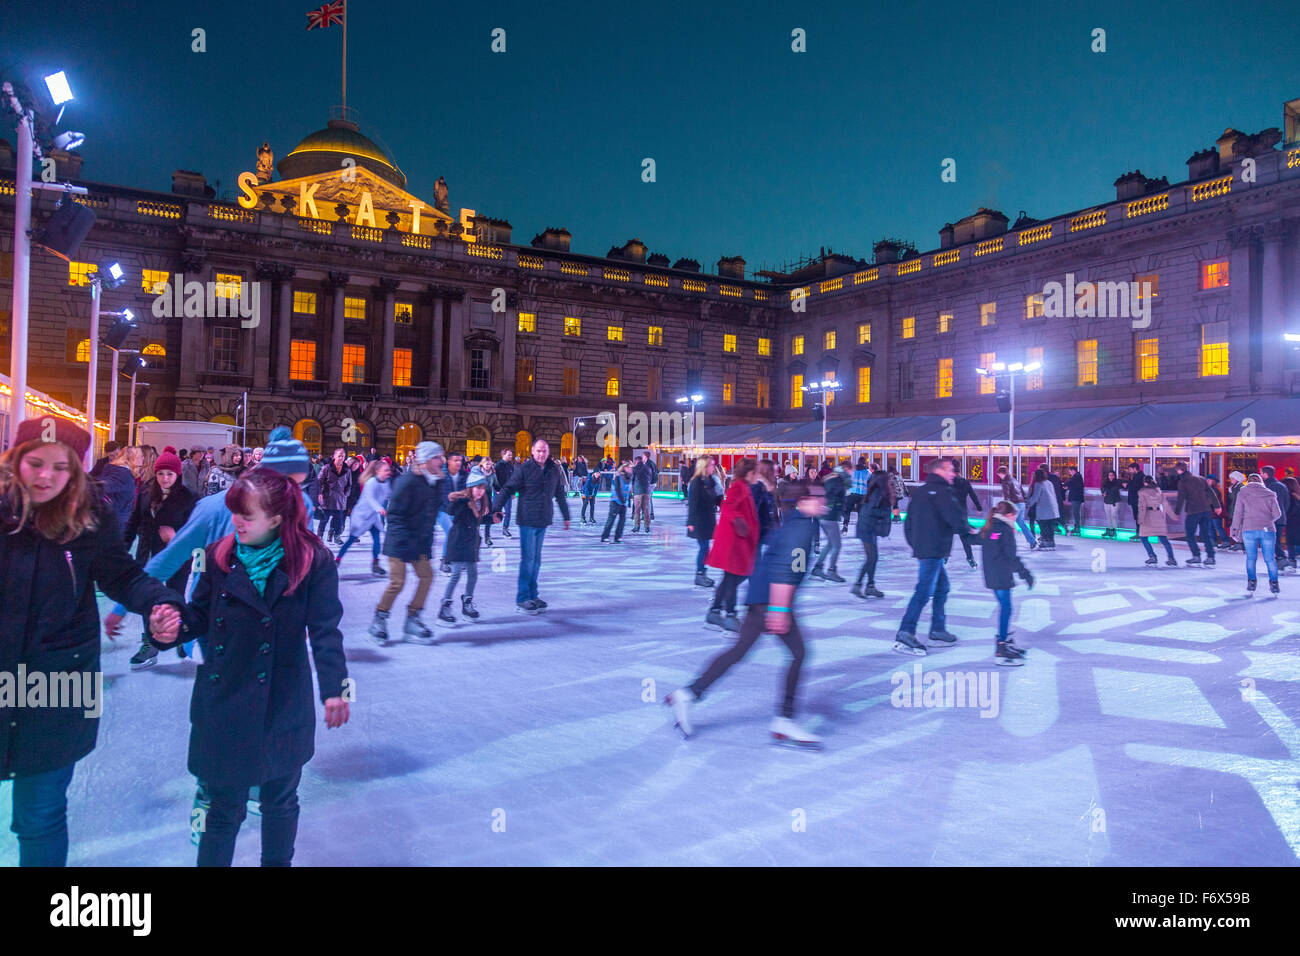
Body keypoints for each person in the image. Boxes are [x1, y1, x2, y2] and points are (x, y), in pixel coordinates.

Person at [0, 417, 183, 866]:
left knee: (40, 814)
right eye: (34, 463)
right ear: (15, 461)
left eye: (59, 467)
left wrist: (159, 603)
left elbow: (122, 576)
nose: (45, 476)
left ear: (76, 471)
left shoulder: (90, 517)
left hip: (59, 683)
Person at [159, 468, 348, 866]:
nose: (237, 522)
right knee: (223, 807)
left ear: (277, 519)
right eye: (234, 513)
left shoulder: (312, 562)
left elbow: (326, 632)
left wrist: (334, 690)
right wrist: (169, 628)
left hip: (282, 702)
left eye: (247, 515)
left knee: (280, 801)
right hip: (224, 699)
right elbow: (198, 616)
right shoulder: (219, 556)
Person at [663, 480, 825, 748]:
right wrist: (780, 609)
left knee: (739, 652)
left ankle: (688, 694)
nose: (823, 501)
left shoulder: (795, 522)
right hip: (769, 601)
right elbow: (786, 571)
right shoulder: (801, 528)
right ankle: (784, 718)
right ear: (803, 500)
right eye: (818, 496)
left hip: (760, 597)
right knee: (799, 653)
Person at [122, 446, 198, 669]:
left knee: (175, 597)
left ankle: (181, 635)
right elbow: (133, 522)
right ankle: (150, 644)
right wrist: (122, 548)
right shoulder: (146, 494)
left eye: (170, 474)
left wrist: (177, 536)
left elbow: (196, 529)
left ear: (178, 475)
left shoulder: (188, 498)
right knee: (148, 600)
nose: (165, 478)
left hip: (177, 557)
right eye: (161, 473)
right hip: (148, 556)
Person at [894, 458, 975, 656]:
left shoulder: (920, 491)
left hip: (926, 549)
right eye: (950, 470)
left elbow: (908, 522)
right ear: (940, 471)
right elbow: (955, 518)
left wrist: (917, 545)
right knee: (924, 591)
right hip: (934, 550)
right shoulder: (944, 492)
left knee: (942, 587)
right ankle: (906, 631)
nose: (953, 474)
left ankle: (937, 630)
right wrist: (971, 532)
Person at [369, 442, 444, 643]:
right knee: (397, 582)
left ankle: (413, 618)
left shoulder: (435, 482)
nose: (441, 461)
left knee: (427, 576)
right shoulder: (408, 481)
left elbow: (431, 515)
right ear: (427, 460)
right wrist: (403, 544)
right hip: (399, 541)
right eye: (437, 457)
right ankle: (380, 618)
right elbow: (394, 515)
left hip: (419, 541)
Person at [490, 438, 571, 614]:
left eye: (545, 451)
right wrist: (496, 509)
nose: (542, 454)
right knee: (528, 560)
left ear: (548, 452)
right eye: (539, 451)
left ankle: (533, 594)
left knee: (536, 560)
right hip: (527, 519)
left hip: (543, 519)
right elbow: (508, 488)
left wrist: (566, 515)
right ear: (533, 452)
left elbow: (559, 493)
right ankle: (523, 598)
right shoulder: (525, 469)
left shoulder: (553, 469)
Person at [968, 500, 1034, 665]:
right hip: (1001, 576)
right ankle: (1002, 646)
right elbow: (1011, 557)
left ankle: (1005, 640)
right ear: (1009, 515)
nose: (1015, 521)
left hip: (991, 575)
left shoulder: (989, 526)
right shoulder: (1005, 530)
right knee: (1006, 608)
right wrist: (1026, 574)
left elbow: (974, 539)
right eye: (1015, 517)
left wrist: (963, 530)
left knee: (1005, 607)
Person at [704, 458, 760, 632]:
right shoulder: (739, 487)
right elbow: (727, 507)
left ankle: (715, 611)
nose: (758, 475)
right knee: (733, 577)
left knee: (732, 578)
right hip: (734, 542)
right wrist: (739, 522)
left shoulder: (743, 486)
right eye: (756, 472)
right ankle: (729, 614)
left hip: (737, 541)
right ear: (749, 473)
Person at [437, 472, 493, 626]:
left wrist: (492, 518)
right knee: (455, 575)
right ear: (470, 488)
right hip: (458, 543)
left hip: (471, 544)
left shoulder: (482, 502)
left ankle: (467, 602)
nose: (481, 491)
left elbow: (477, 520)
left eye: (483, 488)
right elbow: (451, 511)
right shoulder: (464, 502)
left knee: (473, 574)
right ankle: (445, 606)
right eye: (477, 488)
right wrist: (457, 499)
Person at [335, 459, 391, 576]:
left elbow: (389, 494)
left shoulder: (386, 483)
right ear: (378, 471)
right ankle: (337, 560)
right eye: (386, 470)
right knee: (350, 540)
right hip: (361, 516)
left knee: (376, 539)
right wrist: (379, 509)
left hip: (372, 517)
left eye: (388, 470)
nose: (388, 472)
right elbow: (370, 499)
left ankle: (375, 563)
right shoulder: (371, 483)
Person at [1230, 474, 1284, 596]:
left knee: (1251, 558)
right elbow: (1277, 513)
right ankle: (1274, 585)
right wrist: (1267, 520)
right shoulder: (1270, 494)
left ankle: (1251, 583)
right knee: (1270, 559)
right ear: (1261, 481)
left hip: (1249, 529)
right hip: (1268, 529)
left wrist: (1234, 530)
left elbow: (1237, 513)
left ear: (1248, 482)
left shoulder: (1243, 493)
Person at [851, 462, 891, 599]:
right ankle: (859, 584)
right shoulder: (877, 493)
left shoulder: (875, 492)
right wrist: (885, 513)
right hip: (867, 529)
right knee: (872, 558)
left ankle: (870, 586)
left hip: (867, 528)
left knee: (872, 558)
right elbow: (872, 511)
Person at [1171, 462, 1216, 567]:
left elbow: (1181, 499)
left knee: (1190, 534)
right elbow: (1210, 492)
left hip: (1193, 511)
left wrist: (1177, 512)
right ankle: (1210, 556)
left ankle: (1196, 555)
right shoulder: (1200, 479)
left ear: (1179, 470)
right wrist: (1217, 506)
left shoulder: (1183, 482)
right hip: (1205, 510)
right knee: (1205, 534)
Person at [686, 456, 719, 588]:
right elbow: (693, 503)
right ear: (704, 466)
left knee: (706, 548)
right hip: (699, 520)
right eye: (711, 465)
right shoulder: (696, 482)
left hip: (708, 518)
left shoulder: (711, 480)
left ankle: (702, 574)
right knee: (704, 547)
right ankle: (699, 574)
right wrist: (691, 522)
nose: (713, 467)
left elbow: (717, 498)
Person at [810, 463, 847, 582]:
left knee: (831, 543)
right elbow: (830, 496)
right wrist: (830, 507)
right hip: (829, 516)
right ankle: (831, 571)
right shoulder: (836, 480)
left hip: (826, 515)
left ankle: (818, 567)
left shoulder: (832, 478)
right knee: (836, 545)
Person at [92, 441, 138, 532]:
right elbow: (93, 477)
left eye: (117, 454)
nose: (115, 457)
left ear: (120, 451)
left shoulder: (128, 468)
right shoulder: (102, 463)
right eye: (111, 455)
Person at [1136, 475, 1178, 567]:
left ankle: (1152, 556)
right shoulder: (1158, 491)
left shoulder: (1142, 492)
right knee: (1163, 539)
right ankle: (1171, 558)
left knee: (1143, 537)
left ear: (1145, 483)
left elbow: (1142, 507)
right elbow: (1166, 505)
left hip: (1148, 516)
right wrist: (1173, 516)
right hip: (1158, 515)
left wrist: (1140, 519)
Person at [314, 448, 352, 545]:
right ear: (334, 456)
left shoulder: (347, 470)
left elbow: (349, 484)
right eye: (339, 455)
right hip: (328, 498)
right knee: (324, 519)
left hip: (340, 499)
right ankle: (320, 536)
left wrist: (345, 494)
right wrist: (320, 493)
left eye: (343, 456)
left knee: (338, 520)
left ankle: (337, 536)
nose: (341, 458)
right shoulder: (327, 467)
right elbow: (319, 481)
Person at [437, 453, 467, 573]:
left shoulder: (463, 474)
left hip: (456, 509)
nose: (459, 463)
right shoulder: (441, 474)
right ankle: (445, 560)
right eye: (455, 460)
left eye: (460, 460)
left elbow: (467, 490)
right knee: (451, 532)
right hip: (442, 510)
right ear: (448, 461)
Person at [996, 465, 1037, 549]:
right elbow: (1022, 492)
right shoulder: (1015, 480)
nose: (999, 476)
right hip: (1021, 503)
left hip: (1014, 504)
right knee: (1020, 523)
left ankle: (1004, 542)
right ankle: (1032, 541)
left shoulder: (1005, 481)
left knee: (1006, 522)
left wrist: (1006, 507)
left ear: (1002, 473)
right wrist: (1025, 503)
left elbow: (1007, 495)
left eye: (999, 474)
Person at [951, 466, 984, 568]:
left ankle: (944, 557)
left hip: (950, 512)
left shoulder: (949, 482)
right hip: (962, 513)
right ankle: (970, 558)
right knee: (965, 537)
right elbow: (973, 495)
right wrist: (979, 507)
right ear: (960, 471)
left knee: (947, 536)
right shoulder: (965, 482)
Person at [1262, 466, 1293, 571]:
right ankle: (1280, 561)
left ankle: (1282, 560)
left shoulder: (1267, 487)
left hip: (1271, 519)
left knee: (1272, 540)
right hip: (1281, 518)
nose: (1261, 475)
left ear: (1265, 474)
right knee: (1275, 540)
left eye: (1261, 473)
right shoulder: (1282, 486)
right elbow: (1287, 503)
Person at [1026, 466, 1060, 550]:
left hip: (1044, 509)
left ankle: (1045, 541)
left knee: (1043, 525)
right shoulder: (1049, 482)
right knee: (1050, 526)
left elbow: (1035, 497)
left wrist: (1028, 504)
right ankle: (1051, 542)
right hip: (1053, 508)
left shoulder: (1038, 484)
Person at [601, 462, 630, 543]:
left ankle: (618, 537)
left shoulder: (630, 478)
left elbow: (628, 491)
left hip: (624, 502)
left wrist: (628, 502)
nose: (630, 469)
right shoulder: (618, 477)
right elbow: (617, 490)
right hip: (615, 501)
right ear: (624, 468)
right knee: (611, 519)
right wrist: (622, 500)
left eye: (631, 468)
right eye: (628, 468)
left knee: (622, 521)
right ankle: (604, 536)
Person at [842, 456, 870, 533]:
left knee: (848, 510)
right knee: (860, 512)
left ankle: (845, 526)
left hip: (851, 493)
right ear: (865, 463)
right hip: (862, 494)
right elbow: (870, 484)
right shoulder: (868, 472)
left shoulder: (852, 470)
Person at [495, 449, 516, 536]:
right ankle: (487, 531)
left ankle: (505, 528)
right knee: (495, 511)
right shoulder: (498, 466)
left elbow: (513, 480)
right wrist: (497, 489)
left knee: (508, 511)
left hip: (508, 492)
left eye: (511, 455)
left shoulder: (511, 466)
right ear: (503, 455)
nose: (511, 457)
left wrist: (514, 492)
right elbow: (494, 479)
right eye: (509, 455)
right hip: (499, 493)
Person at [1223, 471, 1247, 552]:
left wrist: (1231, 492)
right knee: (1236, 527)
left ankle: (1239, 543)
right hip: (1235, 510)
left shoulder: (1240, 487)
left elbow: (1237, 499)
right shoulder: (1235, 487)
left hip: (1239, 511)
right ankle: (1238, 543)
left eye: (1232, 478)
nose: (1231, 480)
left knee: (1239, 527)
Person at [1101, 469, 1124, 538]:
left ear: (1114, 476)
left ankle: (1114, 530)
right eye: (1109, 475)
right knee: (1108, 516)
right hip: (1107, 501)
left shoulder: (1117, 482)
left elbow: (1122, 486)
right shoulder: (1105, 483)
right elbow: (1102, 489)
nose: (1110, 477)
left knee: (1113, 515)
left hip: (1114, 501)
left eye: (1112, 475)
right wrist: (1103, 493)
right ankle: (1109, 529)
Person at [1065, 465, 1085, 535]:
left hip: (1076, 498)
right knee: (1076, 512)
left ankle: (1077, 527)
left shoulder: (1076, 477)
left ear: (1072, 470)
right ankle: (1077, 527)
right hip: (1076, 498)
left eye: (1070, 471)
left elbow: (1071, 483)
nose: (1069, 473)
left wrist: (1066, 485)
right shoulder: (1077, 476)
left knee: (1076, 512)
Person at [1126, 463, 1146, 532]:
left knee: (1138, 516)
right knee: (1137, 517)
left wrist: (1128, 485)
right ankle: (1139, 532)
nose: (1129, 471)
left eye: (1130, 469)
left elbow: (1135, 487)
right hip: (1135, 500)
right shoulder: (1136, 476)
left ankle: (1140, 533)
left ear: (1135, 468)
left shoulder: (1140, 477)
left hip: (1137, 500)